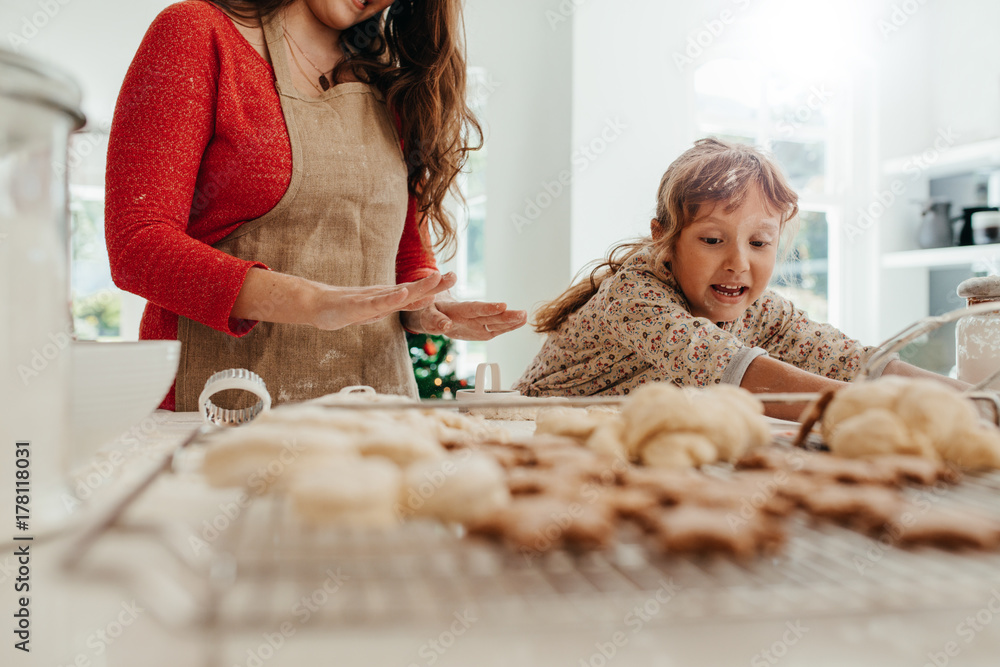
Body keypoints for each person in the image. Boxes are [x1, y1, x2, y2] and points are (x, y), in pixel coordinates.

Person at [105, 0, 526, 411]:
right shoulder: (197, 34)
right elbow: (137, 244)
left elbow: (406, 257)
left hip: (377, 412)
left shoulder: (389, 85)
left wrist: (426, 306)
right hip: (223, 406)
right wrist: (313, 302)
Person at [514, 138, 965, 421]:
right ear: (664, 240)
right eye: (712, 239)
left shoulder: (763, 310)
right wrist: (899, 412)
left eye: (759, 243)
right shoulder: (633, 297)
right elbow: (735, 373)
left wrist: (976, 401)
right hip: (528, 435)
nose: (738, 263)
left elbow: (859, 364)